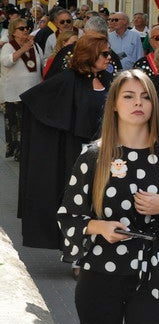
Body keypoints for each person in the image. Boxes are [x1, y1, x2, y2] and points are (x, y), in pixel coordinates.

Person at [57, 70, 159, 324]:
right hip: (100, 275)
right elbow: (67, 216)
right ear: (114, 106)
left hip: (151, 277)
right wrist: (100, 227)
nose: (138, 103)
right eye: (129, 96)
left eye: (146, 96)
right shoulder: (94, 155)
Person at [18, 32, 114, 251]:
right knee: (79, 202)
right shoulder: (68, 79)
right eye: (104, 53)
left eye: (109, 53)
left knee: (102, 201)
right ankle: (76, 252)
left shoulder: (110, 80)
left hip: (107, 152)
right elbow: (35, 100)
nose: (109, 58)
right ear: (90, 55)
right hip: (77, 154)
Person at [1, 18, 43, 160]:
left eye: (27, 28)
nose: (26, 30)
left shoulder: (36, 46)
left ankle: (29, 150)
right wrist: (23, 49)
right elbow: (6, 62)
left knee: (29, 124)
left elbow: (41, 65)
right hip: (15, 93)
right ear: (14, 32)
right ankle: (18, 151)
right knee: (16, 125)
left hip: (33, 93)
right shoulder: (9, 46)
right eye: (21, 28)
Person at [45, 16, 122, 80]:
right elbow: (52, 81)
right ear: (84, 33)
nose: (95, 44)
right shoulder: (68, 52)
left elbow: (117, 85)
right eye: (92, 39)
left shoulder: (112, 57)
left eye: (100, 39)